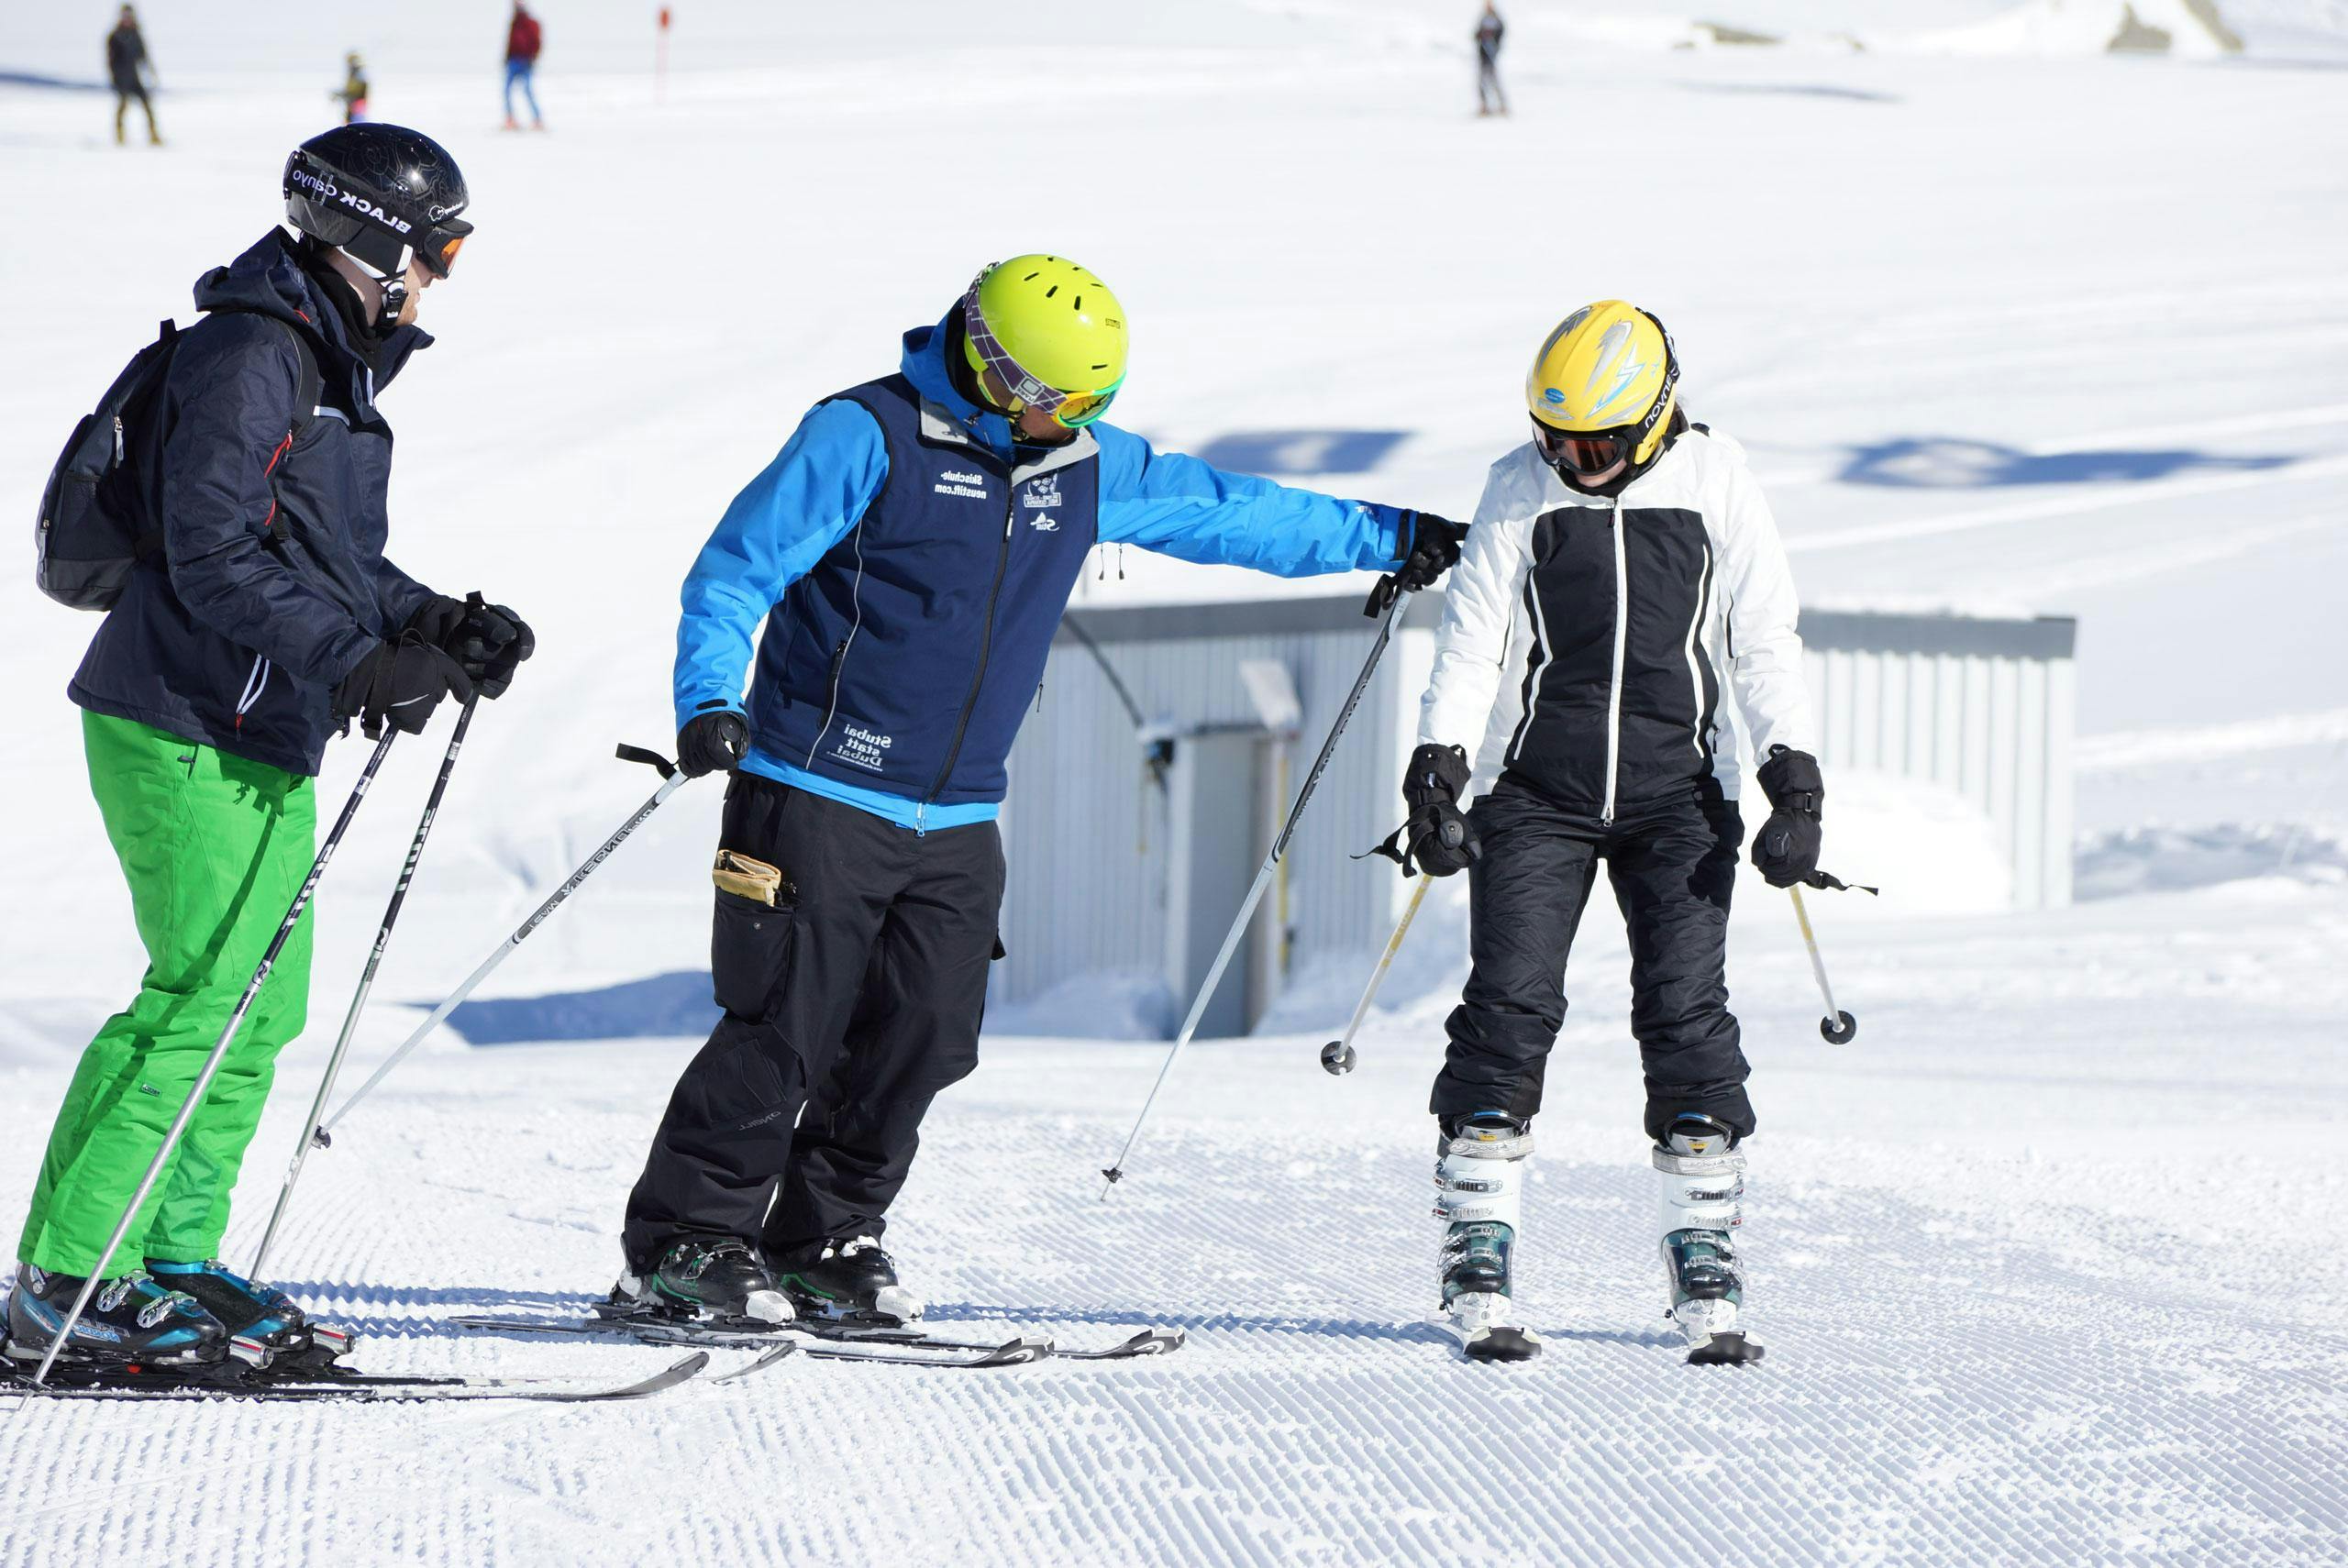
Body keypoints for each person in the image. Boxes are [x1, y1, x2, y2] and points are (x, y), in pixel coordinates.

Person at [614, 255, 1468, 1328]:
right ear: (984, 356)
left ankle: (824, 1239)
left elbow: (1226, 513)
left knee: (924, 1035)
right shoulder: (864, 433)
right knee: (785, 1026)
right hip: (816, 787)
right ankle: (684, 1244)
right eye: (1043, 397)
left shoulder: (1083, 463)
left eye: (1082, 404)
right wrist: (708, 700)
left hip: (959, 812)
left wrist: (1387, 537)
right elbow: (737, 569)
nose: (1058, 420)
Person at [6, 125, 535, 1373]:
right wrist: (357, 662)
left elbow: (316, 552)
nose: (439, 275)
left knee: (256, 1009)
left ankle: (171, 1256)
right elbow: (212, 554)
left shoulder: (322, 359)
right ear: (370, 238)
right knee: (198, 1000)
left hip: (257, 724)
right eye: (436, 249)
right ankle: (68, 1279)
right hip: (182, 717)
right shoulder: (255, 352)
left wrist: (426, 620)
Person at [1399, 300, 1821, 1364]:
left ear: (1654, 419)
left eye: (1593, 444)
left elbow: (1763, 635)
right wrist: (1440, 763)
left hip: (1681, 796)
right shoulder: (1516, 488)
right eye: (1555, 441)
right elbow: (1473, 641)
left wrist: (1792, 778)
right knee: (1509, 1007)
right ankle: (1476, 1246)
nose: (1571, 461)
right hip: (1533, 793)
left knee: (1685, 1016)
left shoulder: (1718, 481)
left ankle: (1706, 1257)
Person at [106, 5, 161, 147]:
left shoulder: (136, 34)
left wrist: (150, 70)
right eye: (125, 15)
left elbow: (143, 55)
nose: (127, 18)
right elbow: (110, 61)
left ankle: (154, 135)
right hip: (122, 79)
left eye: (129, 15)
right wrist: (115, 78)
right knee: (123, 107)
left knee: (147, 105)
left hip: (135, 78)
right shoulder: (115, 36)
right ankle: (120, 137)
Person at [503, 4, 544, 131]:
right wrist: (507, 57)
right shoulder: (514, 24)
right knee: (507, 90)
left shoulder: (531, 23)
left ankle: (537, 120)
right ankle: (510, 119)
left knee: (527, 90)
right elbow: (510, 43)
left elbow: (536, 42)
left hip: (525, 60)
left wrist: (533, 58)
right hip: (513, 61)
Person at [1475, 3, 1508, 117]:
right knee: (1482, 82)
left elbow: (1500, 34)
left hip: (1491, 56)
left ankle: (1502, 106)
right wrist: (1480, 35)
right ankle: (1484, 106)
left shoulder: (1497, 20)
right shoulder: (1483, 20)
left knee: (1494, 81)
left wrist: (1492, 38)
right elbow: (1476, 35)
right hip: (1483, 56)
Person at [334, 51, 370, 125]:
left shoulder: (359, 74)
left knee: (357, 125)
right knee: (351, 124)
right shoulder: (353, 73)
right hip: (352, 104)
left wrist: (343, 95)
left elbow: (357, 90)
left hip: (357, 104)